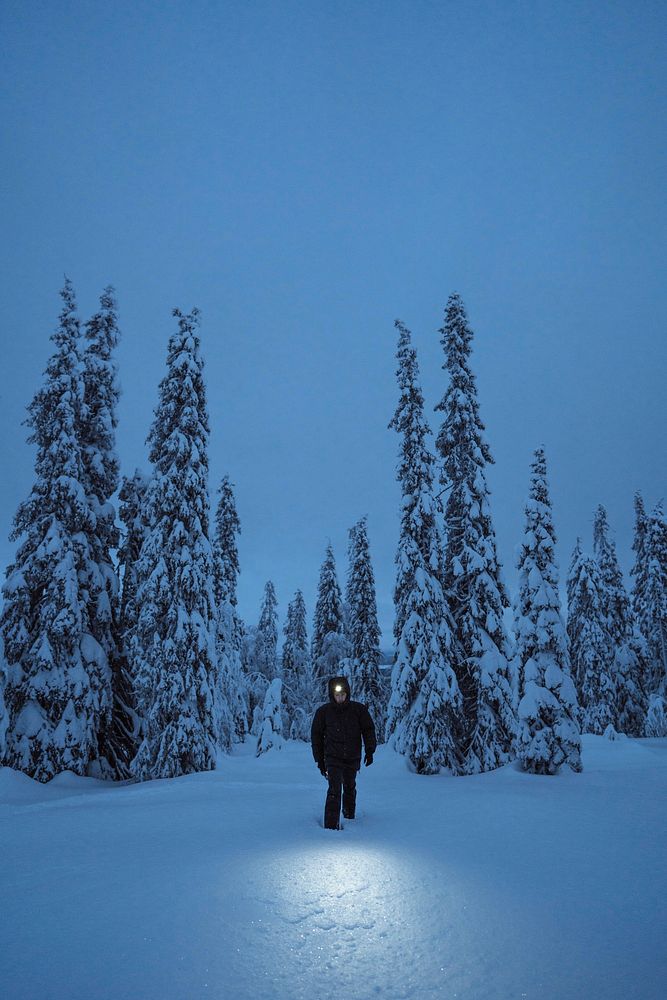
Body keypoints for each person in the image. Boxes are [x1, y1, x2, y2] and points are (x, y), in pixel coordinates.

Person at [311, 675, 377, 829]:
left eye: (343, 695)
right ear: (332, 695)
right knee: (334, 789)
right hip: (332, 757)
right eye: (337, 695)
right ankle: (331, 826)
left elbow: (368, 730)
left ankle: (349, 818)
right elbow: (316, 737)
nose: (340, 698)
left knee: (349, 786)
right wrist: (319, 760)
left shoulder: (358, 710)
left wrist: (370, 751)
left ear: (347, 694)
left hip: (352, 757)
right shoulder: (323, 712)